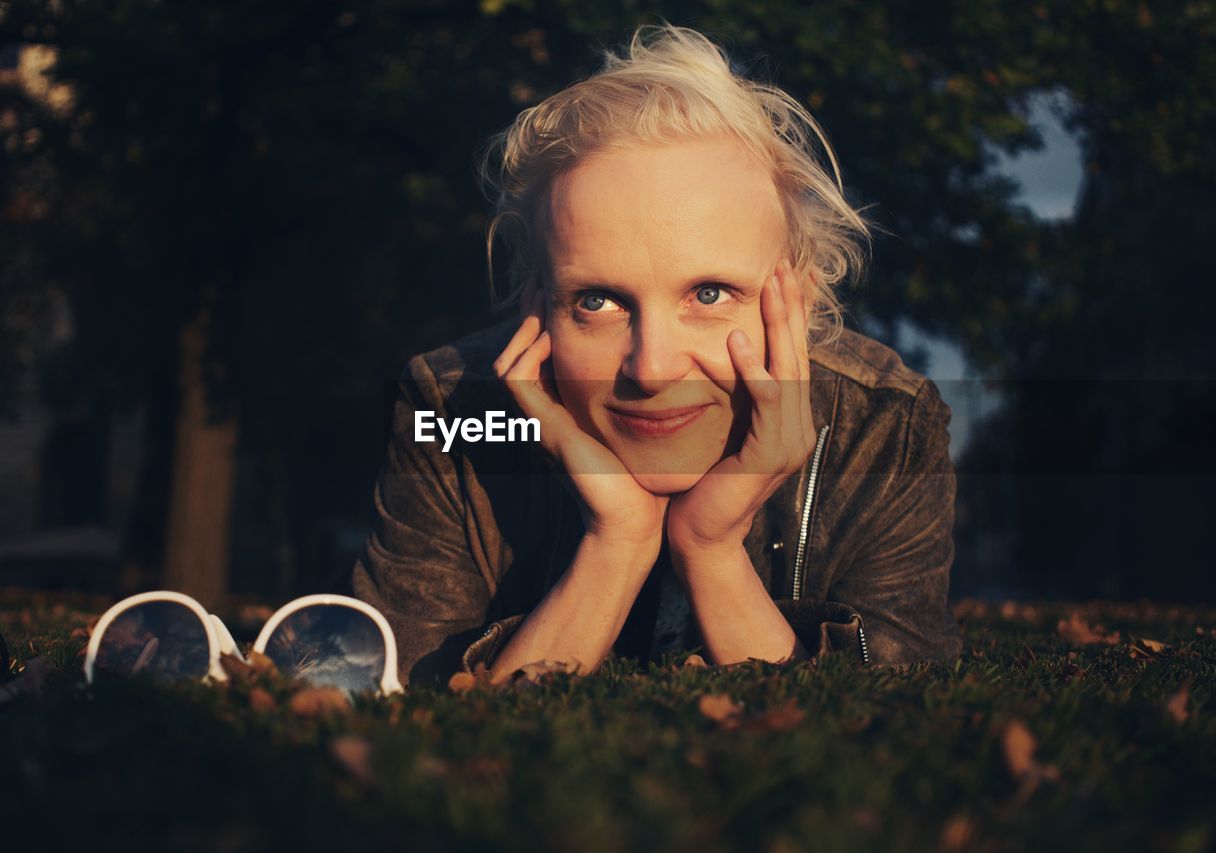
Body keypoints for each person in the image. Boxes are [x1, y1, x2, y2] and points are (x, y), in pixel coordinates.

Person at [354, 24, 962, 686]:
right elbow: (406, 702)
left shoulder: (885, 427)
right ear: (538, 303)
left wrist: (711, 549)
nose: (652, 368)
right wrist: (614, 544)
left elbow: (896, 717)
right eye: (597, 302)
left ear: (801, 296)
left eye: (708, 292)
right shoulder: (452, 413)